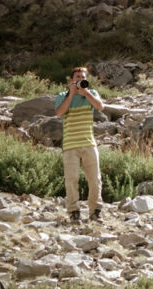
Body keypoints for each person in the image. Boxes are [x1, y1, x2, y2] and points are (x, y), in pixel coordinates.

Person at [54, 66, 107, 222]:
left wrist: (87, 93)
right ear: (71, 80)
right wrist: (71, 94)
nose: (80, 80)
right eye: (77, 77)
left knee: (95, 179)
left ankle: (95, 211)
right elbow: (59, 113)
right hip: (70, 145)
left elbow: (100, 107)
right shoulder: (62, 96)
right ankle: (73, 212)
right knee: (71, 179)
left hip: (89, 143)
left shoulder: (91, 94)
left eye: (83, 77)